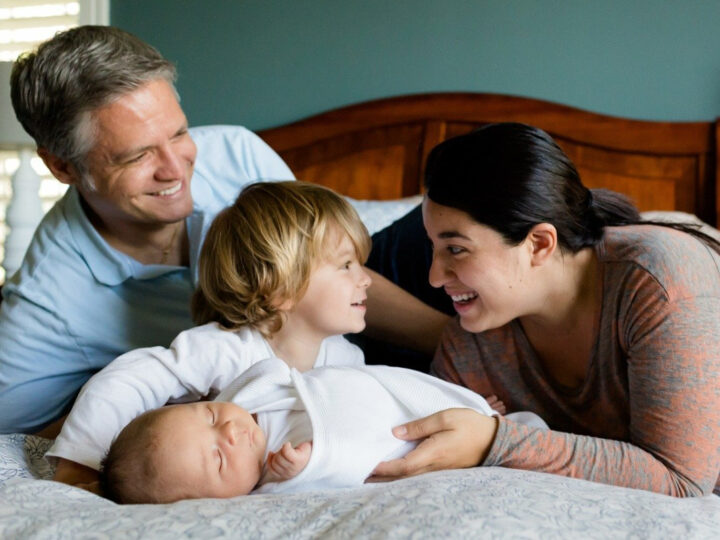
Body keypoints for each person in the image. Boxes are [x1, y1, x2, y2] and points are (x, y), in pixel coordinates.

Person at [0, 26, 448, 438]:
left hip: (357, 309)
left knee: (456, 218)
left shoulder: (235, 153)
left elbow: (331, 269)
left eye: (178, 134)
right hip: (284, 378)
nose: (176, 170)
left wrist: (461, 344)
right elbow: (21, 437)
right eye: (137, 157)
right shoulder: (47, 303)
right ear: (62, 166)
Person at [49, 180, 542, 502]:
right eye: (347, 265)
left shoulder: (342, 355)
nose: (366, 280)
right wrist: (78, 466)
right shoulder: (227, 347)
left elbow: (378, 408)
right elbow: (131, 379)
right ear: (280, 287)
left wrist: (461, 409)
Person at [371, 123, 720, 498]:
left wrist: (495, 441)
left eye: (456, 249)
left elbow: (683, 479)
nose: (435, 277)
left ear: (538, 244)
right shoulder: (468, 349)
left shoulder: (658, 279)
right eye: (432, 248)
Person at [100, 358, 545, 503]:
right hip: (405, 441)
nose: (232, 433)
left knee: (519, 430)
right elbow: (343, 475)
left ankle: (485, 421)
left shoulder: (254, 394)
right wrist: (299, 468)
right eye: (218, 460)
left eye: (212, 417)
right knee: (522, 450)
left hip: (395, 400)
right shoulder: (275, 481)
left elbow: (300, 377)